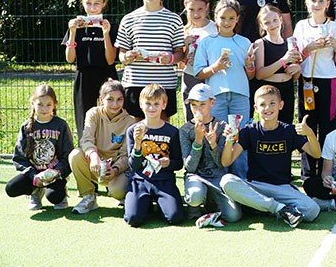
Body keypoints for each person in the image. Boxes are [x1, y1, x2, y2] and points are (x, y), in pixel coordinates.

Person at [220, 85, 321, 228]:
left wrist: (310, 133)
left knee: (312, 210)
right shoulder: (249, 131)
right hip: (256, 186)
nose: (268, 108)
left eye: (272, 103)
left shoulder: (289, 131)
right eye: (262, 104)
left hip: (282, 188)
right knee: (227, 181)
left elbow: (316, 154)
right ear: (255, 108)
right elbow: (226, 161)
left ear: (281, 105)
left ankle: (263, 207)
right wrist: (229, 141)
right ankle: (279, 209)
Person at [194, 0, 255, 178]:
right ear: (215, 17)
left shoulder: (244, 42)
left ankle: (241, 180)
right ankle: (219, 179)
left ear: (237, 19)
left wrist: (249, 64)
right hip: (216, 98)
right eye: (222, 18)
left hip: (240, 97)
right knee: (218, 137)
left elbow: (251, 75)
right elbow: (198, 72)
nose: (226, 22)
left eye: (231, 18)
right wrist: (216, 67)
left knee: (240, 138)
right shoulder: (207, 42)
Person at [116, 0, 185, 119]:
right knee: (136, 130)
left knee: (162, 131)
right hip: (135, 82)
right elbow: (121, 54)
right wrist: (127, 56)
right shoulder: (128, 19)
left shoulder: (174, 19)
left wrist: (171, 59)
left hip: (164, 83)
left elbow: (180, 53)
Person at [293, 0, 336, 178]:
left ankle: (326, 172)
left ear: (328, 4)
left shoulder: (334, 27)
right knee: (307, 125)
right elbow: (297, 57)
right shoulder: (301, 26)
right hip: (307, 81)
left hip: (328, 80)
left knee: (328, 125)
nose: (317, 4)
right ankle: (307, 174)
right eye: (313, 1)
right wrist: (310, 48)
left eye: (321, 1)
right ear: (307, 3)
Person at [68, 79, 136, 214]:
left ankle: (121, 195)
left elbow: (126, 153)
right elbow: (86, 139)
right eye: (110, 99)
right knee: (75, 155)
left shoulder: (130, 121)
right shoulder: (93, 114)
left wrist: (116, 170)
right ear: (101, 99)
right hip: (95, 164)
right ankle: (89, 197)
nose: (115, 104)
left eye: (119, 99)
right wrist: (94, 157)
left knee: (117, 191)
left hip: (116, 169)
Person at [180, 83, 242, 223]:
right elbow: (189, 167)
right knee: (195, 195)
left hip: (217, 177)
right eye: (194, 105)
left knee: (234, 216)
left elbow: (222, 163)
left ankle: (210, 204)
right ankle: (195, 206)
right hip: (196, 176)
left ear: (212, 102)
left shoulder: (222, 126)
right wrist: (198, 140)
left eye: (202, 104)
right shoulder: (184, 130)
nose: (197, 109)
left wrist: (213, 144)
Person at [124, 84, 184, 227]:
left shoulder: (172, 132)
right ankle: (145, 204)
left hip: (164, 181)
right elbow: (133, 165)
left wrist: (168, 163)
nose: (152, 108)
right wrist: (138, 145)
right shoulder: (133, 130)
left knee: (175, 217)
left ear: (164, 105)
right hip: (140, 181)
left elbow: (179, 163)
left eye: (156, 104)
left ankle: (160, 204)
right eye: (148, 103)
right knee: (133, 219)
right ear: (141, 104)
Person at [63, 0, 118, 138]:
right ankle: (86, 153)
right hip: (84, 76)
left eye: (97, 3)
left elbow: (110, 59)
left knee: (109, 117)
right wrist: (73, 33)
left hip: (106, 77)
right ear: (82, 3)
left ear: (104, 4)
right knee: (84, 120)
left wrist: (106, 34)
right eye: (88, 3)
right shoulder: (76, 26)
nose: (92, 8)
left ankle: (110, 153)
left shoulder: (110, 26)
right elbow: (69, 58)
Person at [6, 84, 73, 210]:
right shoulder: (26, 127)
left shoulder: (61, 125)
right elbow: (19, 157)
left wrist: (57, 172)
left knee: (55, 197)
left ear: (54, 105)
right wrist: (33, 175)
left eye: (48, 104)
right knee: (11, 188)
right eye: (40, 104)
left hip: (53, 173)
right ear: (33, 103)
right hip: (34, 172)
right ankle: (35, 191)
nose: (44, 108)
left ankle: (61, 190)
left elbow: (67, 154)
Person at [252, 4, 302, 124]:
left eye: (275, 20)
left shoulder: (289, 45)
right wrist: (283, 60)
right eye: (267, 22)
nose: (272, 25)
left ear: (280, 20)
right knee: (269, 125)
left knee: (286, 125)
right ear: (262, 25)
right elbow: (260, 74)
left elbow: (294, 76)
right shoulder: (260, 44)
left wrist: (297, 70)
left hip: (287, 90)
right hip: (269, 91)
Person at [180, 0, 217, 122]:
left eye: (200, 9)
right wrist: (184, 46)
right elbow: (181, 62)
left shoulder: (216, 28)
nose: (196, 14)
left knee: (211, 114)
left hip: (211, 76)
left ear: (207, 7)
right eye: (191, 9)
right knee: (192, 116)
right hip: (190, 76)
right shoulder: (185, 30)